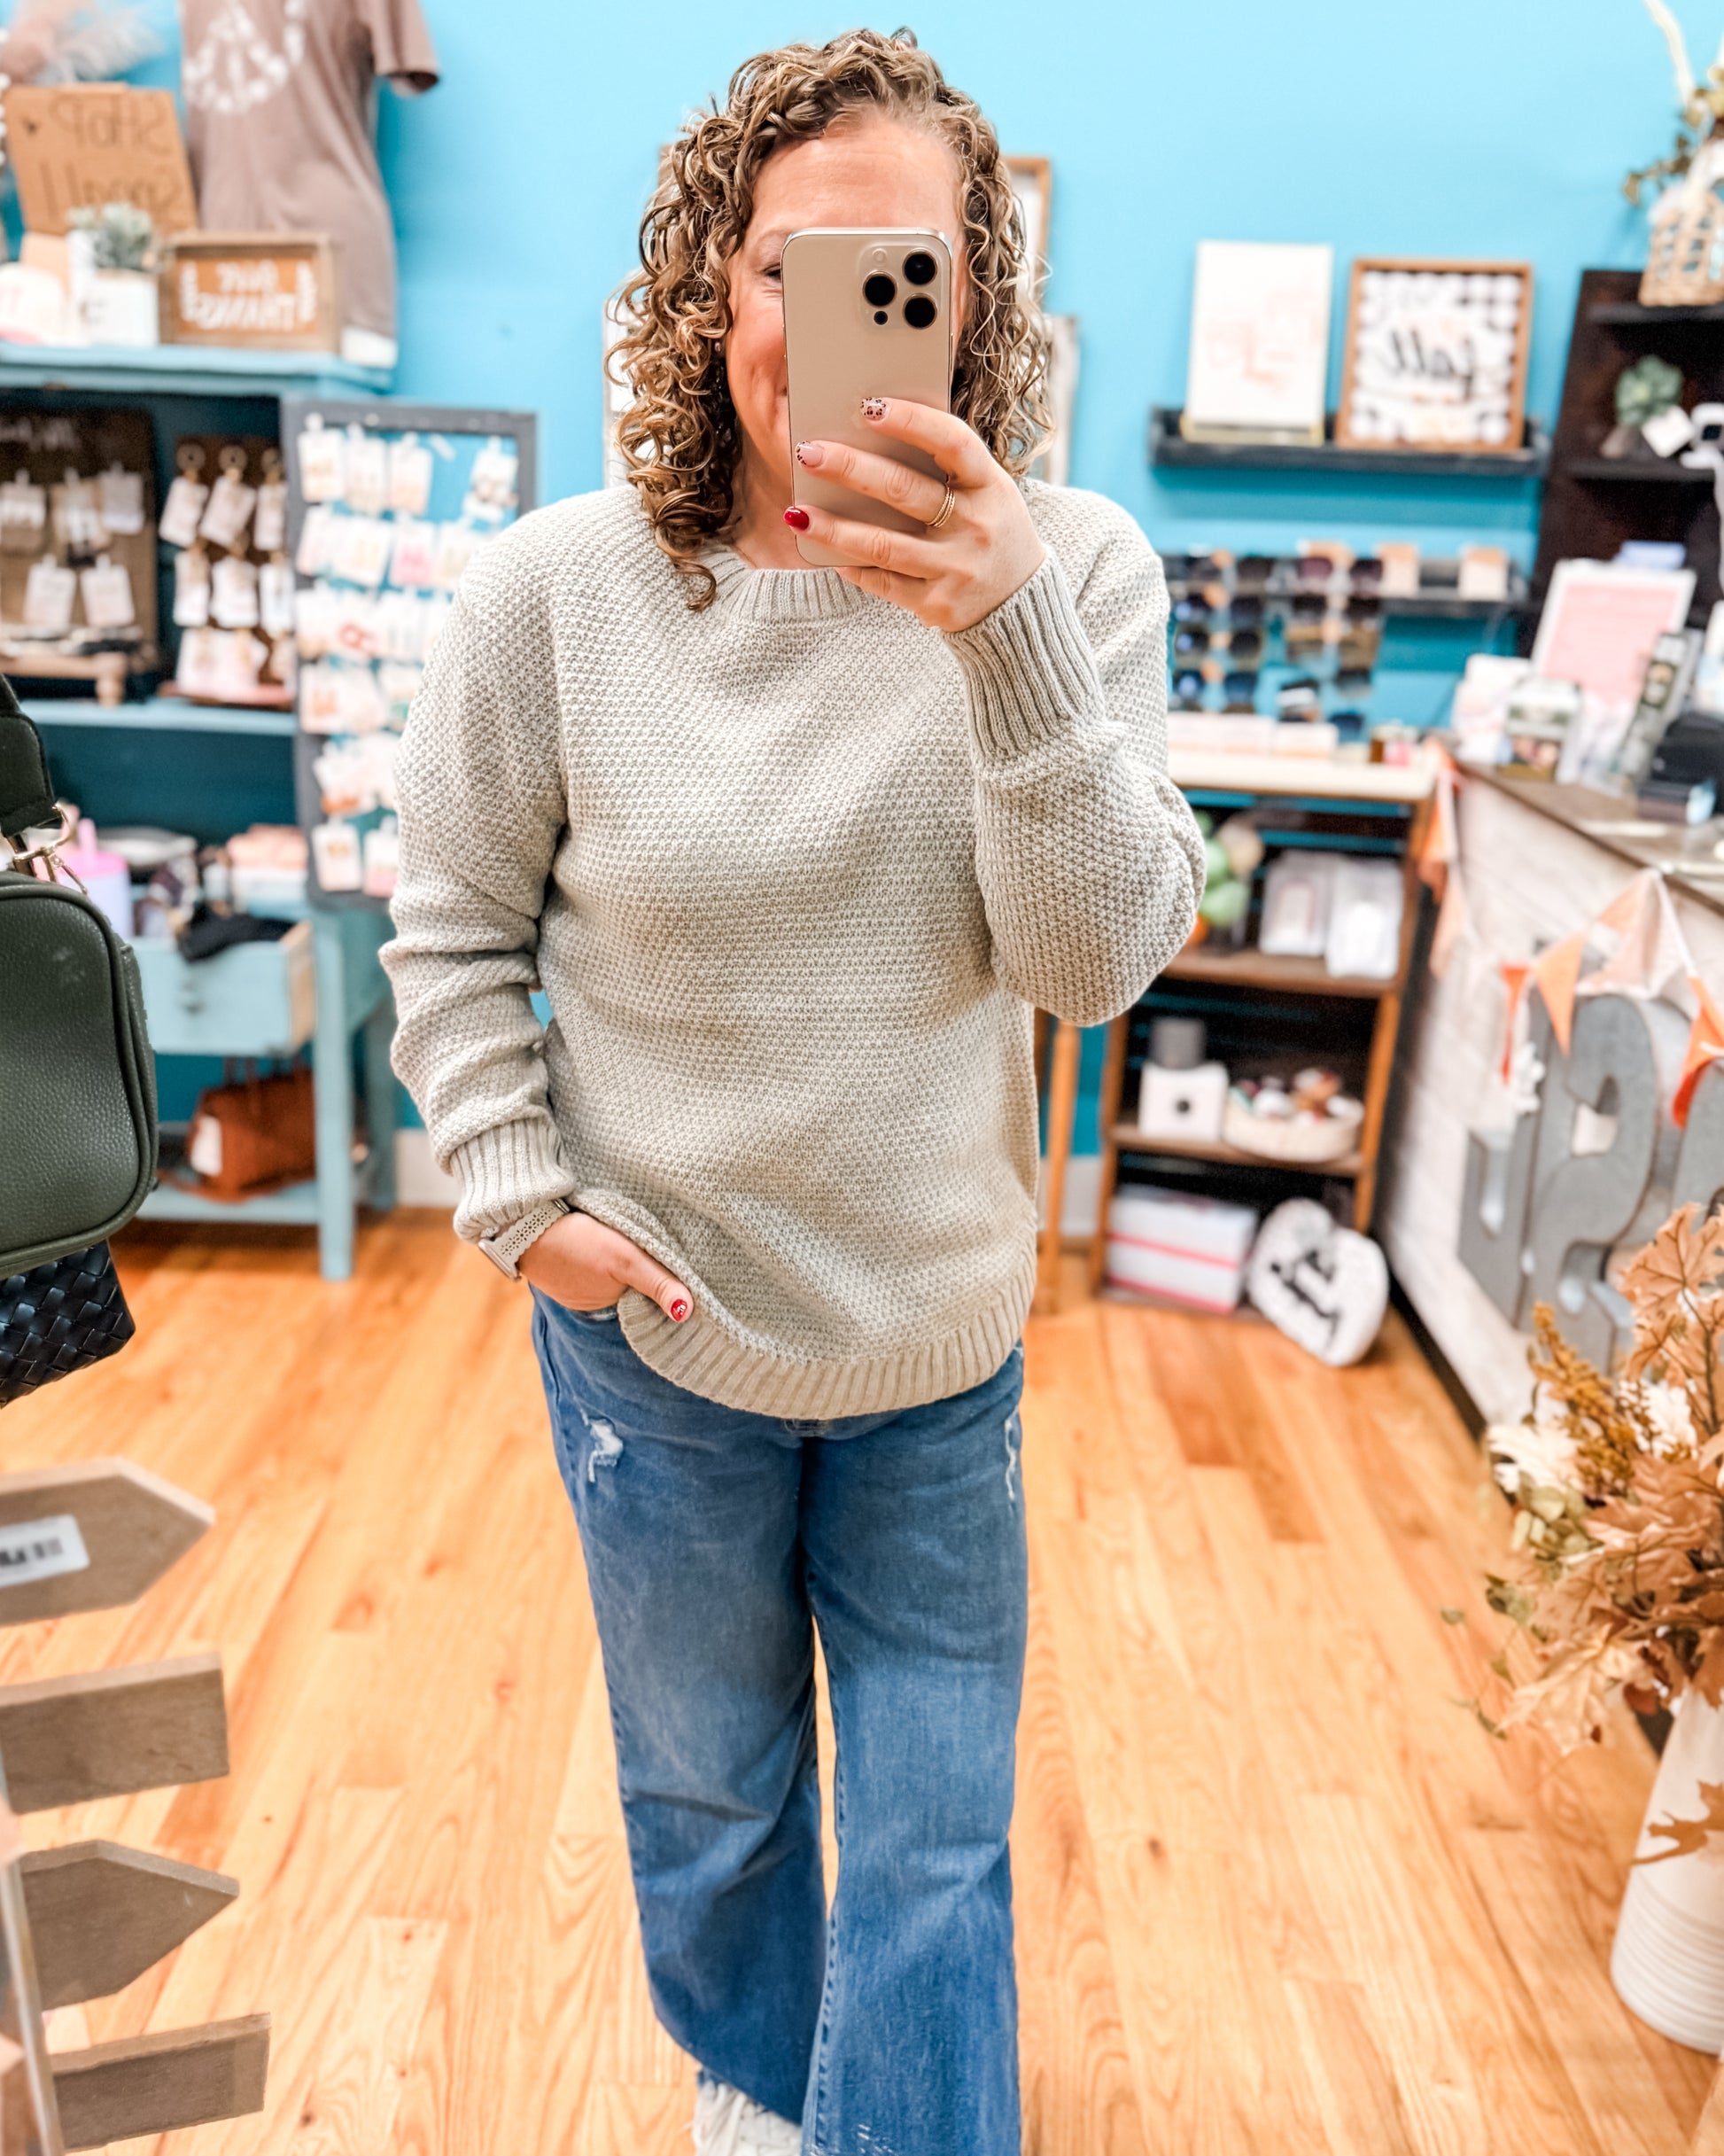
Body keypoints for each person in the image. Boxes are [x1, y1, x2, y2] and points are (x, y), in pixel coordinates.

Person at [384, 27, 1202, 2156]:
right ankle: (760, 2084)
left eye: (896, 271)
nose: (829, 321)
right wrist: (510, 1193)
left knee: (934, 1846)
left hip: (934, 1345)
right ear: (710, 288)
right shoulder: (555, 598)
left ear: (972, 302)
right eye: (787, 267)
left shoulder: (1077, 572)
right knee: (712, 1796)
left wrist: (1001, 631)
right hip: (659, 1338)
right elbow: (452, 930)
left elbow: (1095, 963)